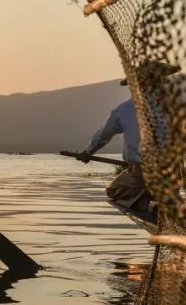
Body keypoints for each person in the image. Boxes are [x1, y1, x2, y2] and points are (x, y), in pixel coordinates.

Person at [76, 61, 179, 215]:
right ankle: (159, 206)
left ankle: (150, 207)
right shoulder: (174, 107)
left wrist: (88, 152)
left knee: (114, 191)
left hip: (142, 173)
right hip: (172, 173)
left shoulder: (124, 110)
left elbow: (103, 135)